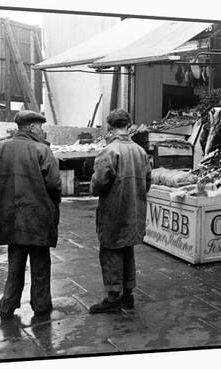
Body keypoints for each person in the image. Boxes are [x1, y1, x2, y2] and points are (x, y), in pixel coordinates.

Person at [0, 110, 61, 319]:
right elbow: (54, 184)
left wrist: (5, 198)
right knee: (40, 263)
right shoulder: (42, 150)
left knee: (15, 262)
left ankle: (8, 304)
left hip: (10, 217)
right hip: (38, 216)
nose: (42, 131)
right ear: (32, 127)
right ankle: (41, 304)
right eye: (40, 126)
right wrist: (54, 203)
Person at [89, 109, 151, 314]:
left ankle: (113, 296)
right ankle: (128, 294)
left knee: (110, 249)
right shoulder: (140, 151)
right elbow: (148, 181)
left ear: (110, 126)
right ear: (129, 124)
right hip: (134, 209)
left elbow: (98, 183)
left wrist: (94, 188)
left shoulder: (109, 151)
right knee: (127, 249)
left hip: (114, 210)